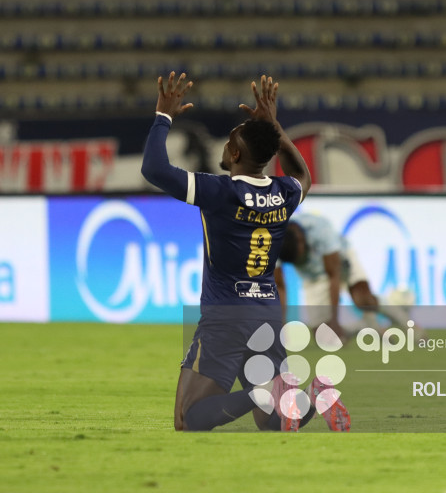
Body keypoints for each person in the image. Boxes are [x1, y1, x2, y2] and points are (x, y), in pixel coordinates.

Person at [141, 72, 349, 432]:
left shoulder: (219, 191)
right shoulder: (283, 192)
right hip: (265, 313)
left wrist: (163, 115)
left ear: (235, 153)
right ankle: (312, 395)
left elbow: (154, 168)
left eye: (229, 142)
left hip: (225, 318)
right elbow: (304, 175)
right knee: (272, 423)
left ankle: (266, 392)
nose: (225, 146)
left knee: (187, 420)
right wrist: (274, 126)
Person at [275, 212, 414, 338]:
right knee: (324, 337)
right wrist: (281, 324)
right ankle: (366, 327)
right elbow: (279, 286)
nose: (301, 261)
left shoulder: (320, 229)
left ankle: (408, 323)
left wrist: (334, 320)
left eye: (300, 257)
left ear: (301, 240)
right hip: (313, 278)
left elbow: (333, 276)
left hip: (340, 261)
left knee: (364, 300)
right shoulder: (272, 242)